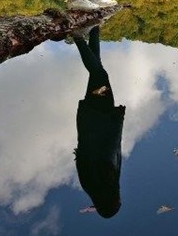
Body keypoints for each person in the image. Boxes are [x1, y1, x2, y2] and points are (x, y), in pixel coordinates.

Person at [72, 25, 125, 218]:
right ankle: (94, 30)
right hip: (91, 117)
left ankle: (77, 36)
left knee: (100, 75)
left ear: (111, 201)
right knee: (98, 70)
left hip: (101, 114)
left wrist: (117, 118)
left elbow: (110, 144)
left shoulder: (106, 178)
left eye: (117, 203)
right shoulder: (89, 182)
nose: (120, 199)